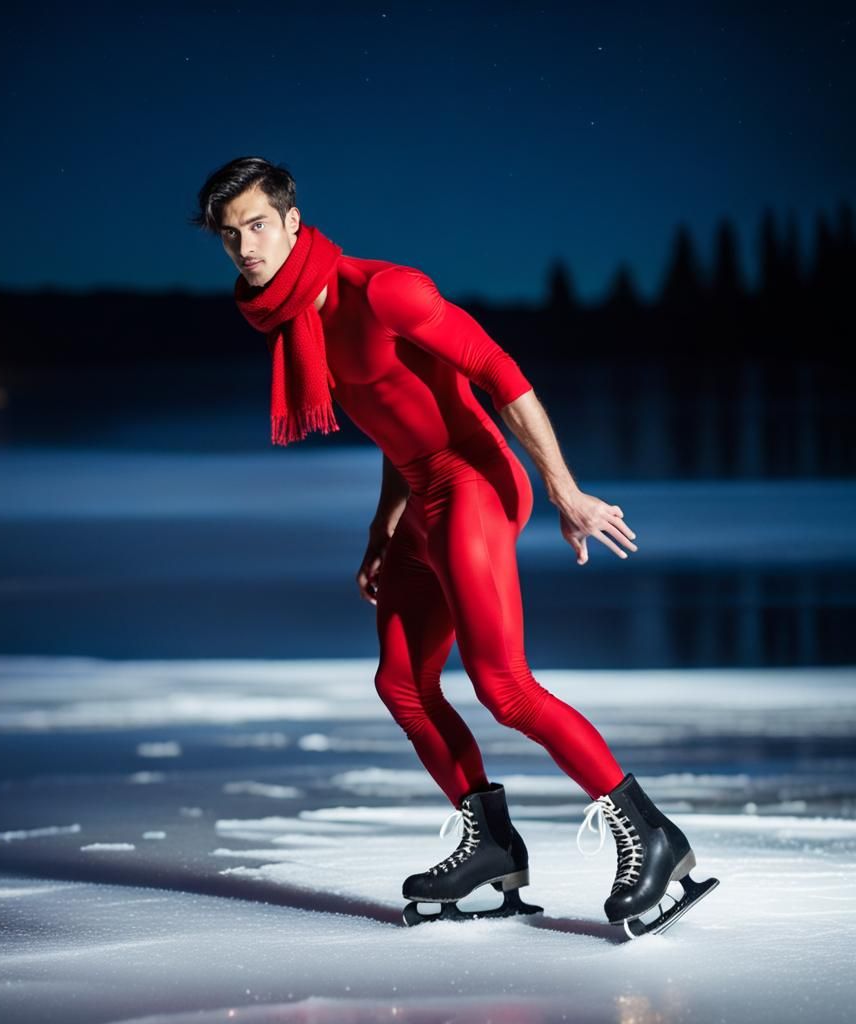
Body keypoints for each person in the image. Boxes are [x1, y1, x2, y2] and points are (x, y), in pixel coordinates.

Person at [190, 156, 717, 935]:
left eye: (258, 226)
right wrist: (383, 526)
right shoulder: (296, 317)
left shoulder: (385, 292)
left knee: (504, 688)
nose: (246, 248)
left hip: (473, 485)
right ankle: (492, 844)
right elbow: (393, 422)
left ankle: (651, 834)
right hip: (421, 497)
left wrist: (567, 491)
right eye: (230, 236)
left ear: (294, 222)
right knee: (402, 684)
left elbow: (502, 374)